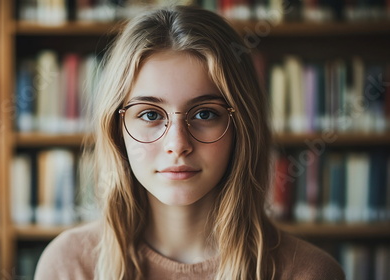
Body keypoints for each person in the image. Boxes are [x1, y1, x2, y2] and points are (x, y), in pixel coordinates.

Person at [35, 5, 345, 280]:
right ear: (116, 129)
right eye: (149, 115)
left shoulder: (309, 272)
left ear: (242, 126)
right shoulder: (68, 264)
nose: (177, 144)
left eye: (206, 113)